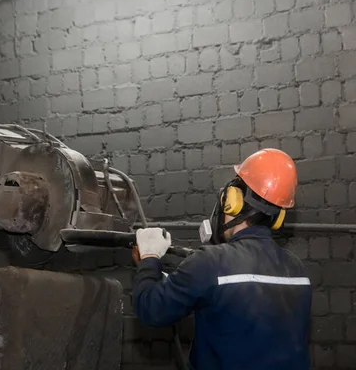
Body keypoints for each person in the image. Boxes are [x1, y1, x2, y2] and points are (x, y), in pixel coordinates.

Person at [132, 149, 312, 370]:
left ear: (232, 201)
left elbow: (150, 309)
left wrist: (149, 258)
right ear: (278, 217)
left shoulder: (210, 262)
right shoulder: (297, 269)